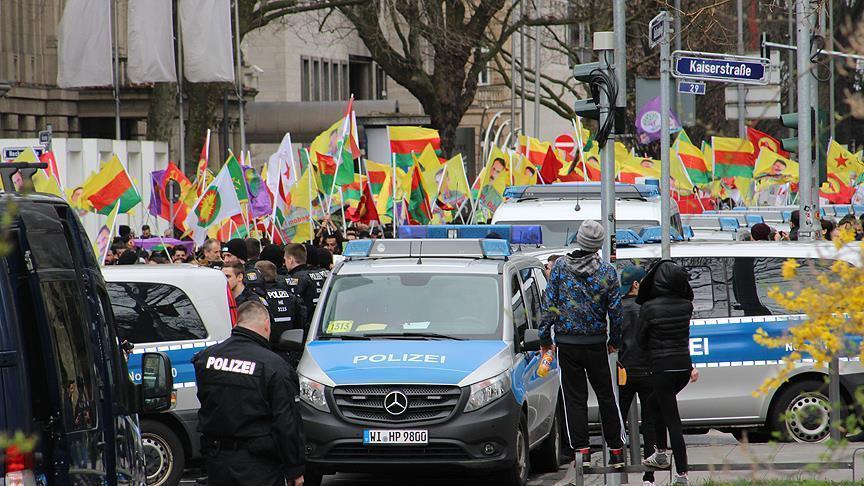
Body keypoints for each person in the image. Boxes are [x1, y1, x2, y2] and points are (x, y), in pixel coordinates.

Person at [538, 220, 625, 469]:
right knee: (607, 396)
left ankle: (582, 452)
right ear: (598, 245)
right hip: (596, 343)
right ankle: (617, 451)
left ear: (578, 239)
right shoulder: (607, 272)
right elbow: (616, 311)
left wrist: (545, 339)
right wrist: (614, 341)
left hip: (567, 344)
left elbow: (549, 306)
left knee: (574, 399)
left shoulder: (561, 268)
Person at [193, 301, 305, 486]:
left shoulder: (206, 358)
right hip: (259, 467)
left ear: (238, 322)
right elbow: (287, 423)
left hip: (217, 462)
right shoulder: (274, 366)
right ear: (267, 325)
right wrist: (295, 468)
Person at [637, 260, 699, 485]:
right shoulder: (686, 306)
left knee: (672, 420)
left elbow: (640, 339)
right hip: (683, 366)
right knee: (654, 404)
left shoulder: (649, 308)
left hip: (662, 367)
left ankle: (681, 473)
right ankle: (661, 452)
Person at [616, 265, 658, 486]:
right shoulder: (648, 308)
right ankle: (649, 475)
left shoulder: (618, 308)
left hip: (623, 371)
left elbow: (613, 342)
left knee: (618, 420)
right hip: (648, 370)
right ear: (637, 285)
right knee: (649, 422)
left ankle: (616, 468)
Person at [256, 261, 307, 365]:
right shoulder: (292, 296)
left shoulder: (258, 298)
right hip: (291, 351)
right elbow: (301, 321)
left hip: (267, 351)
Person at [282, 244, 322, 325]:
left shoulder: (294, 279)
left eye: (285, 260)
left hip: (306, 325)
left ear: (290, 259)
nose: (284, 263)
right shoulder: (321, 274)